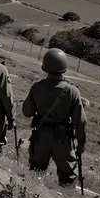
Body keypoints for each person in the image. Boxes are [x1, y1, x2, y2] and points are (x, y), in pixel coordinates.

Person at [22, 48, 87, 186]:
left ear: (45, 67)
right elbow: (80, 121)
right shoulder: (72, 91)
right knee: (68, 177)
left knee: (35, 172)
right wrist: (81, 143)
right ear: (64, 68)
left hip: (41, 135)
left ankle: (28, 196)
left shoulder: (37, 87)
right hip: (62, 139)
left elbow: (27, 112)